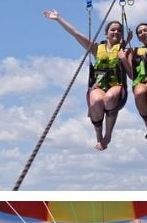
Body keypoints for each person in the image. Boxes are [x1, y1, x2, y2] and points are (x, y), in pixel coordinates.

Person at [44, 10, 132, 150]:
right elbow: (76, 34)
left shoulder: (125, 51)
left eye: (119, 31)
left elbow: (133, 76)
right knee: (97, 100)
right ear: (106, 33)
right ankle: (99, 137)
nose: (115, 32)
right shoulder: (97, 49)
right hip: (98, 86)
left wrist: (123, 58)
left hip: (116, 87)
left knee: (109, 98)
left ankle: (107, 135)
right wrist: (58, 18)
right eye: (112, 30)